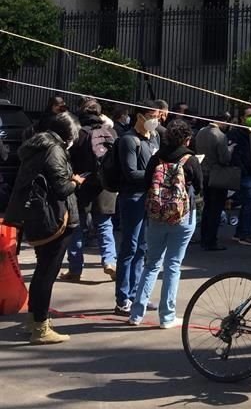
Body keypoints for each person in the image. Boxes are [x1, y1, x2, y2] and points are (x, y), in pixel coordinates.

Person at [8, 111, 84, 343]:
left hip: (39, 217)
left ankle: (34, 320)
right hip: (53, 219)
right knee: (46, 274)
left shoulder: (38, 146)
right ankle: (41, 326)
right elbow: (61, 188)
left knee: (42, 271)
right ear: (68, 132)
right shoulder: (55, 149)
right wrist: (75, 181)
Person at [126, 119, 203, 328]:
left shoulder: (156, 157)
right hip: (182, 216)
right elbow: (200, 186)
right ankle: (167, 317)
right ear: (187, 138)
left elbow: (146, 182)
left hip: (156, 215)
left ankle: (136, 314)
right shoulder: (191, 159)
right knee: (173, 265)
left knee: (151, 264)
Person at [114, 100, 163, 315]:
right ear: (140, 117)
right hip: (132, 198)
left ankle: (136, 294)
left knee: (143, 248)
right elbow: (131, 173)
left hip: (150, 197)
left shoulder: (154, 137)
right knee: (129, 248)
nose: (156, 120)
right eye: (152, 115)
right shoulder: (128, 140)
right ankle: (122, 298)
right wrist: (158, 173)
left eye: (158, 116)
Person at [61, 101, 118, 282]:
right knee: (105, 225)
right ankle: (109, 261)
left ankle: (75, 268)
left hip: (81, 184)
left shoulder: (78, 133)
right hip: (105, 187)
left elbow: (68, 159)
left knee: (77, 227)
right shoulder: (111, 133)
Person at [195, 112, 233, 251]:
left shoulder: (201, 132)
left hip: (203, 173)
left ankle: (204, 237)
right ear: (223, 121)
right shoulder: (220, 136)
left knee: (207, 207)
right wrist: (230, 149)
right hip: (217, 175)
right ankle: (211, 240)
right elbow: (224, 159)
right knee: (216, 209)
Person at [229, 108, 251, 245]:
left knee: (248, 203)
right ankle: (244, 234)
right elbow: (235, 153)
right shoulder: (235, 133)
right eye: (249, 116)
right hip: (243, 173)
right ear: (241, 118)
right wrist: (243, 169)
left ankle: (240, 232)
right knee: (250, 201)